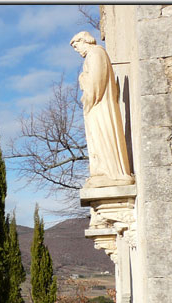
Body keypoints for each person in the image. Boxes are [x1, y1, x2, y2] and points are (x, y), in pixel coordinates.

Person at [70, 31, 134, 188]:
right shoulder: (95, 55)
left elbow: (96, 84)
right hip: (98, 106)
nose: (77, 50)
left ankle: (112, 173)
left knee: (103, 136)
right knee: (99, 139)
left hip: (100, 106)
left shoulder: (95, 53)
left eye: (77, 46)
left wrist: (82, 79)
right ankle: (103, 171)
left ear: (84, 41)